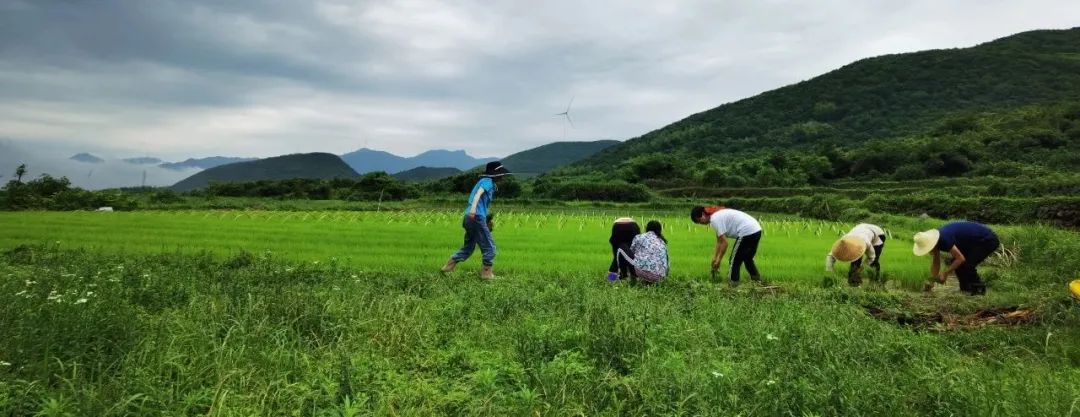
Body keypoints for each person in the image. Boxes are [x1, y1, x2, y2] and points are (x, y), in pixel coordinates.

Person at [441, 161, 512, 279]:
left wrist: (487, 219)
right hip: (475, 216)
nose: (503, 176)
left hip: (469, 217)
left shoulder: (484, 181)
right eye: (501, 174)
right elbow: (478, 195)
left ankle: (447, 268)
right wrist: (474, 209)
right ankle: (487, 274)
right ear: (495, 173)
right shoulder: (487, 181)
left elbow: (482, 203)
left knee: (468, 247)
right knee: (490, 247)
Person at [913, 221, 1000, 295]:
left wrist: (945, 274)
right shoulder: (936, 241)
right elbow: (936, 263)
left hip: (987, 240)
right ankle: (965, 290)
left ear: (931, 243)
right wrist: (932, 281)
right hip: (971, 242)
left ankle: (979, 292)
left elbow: (960, 258)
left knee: (968, 265)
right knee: (956, 263)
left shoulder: (943, 239)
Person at [690, 205, 763, 286]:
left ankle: (733, 285)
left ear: (703, 214)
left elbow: (725, 243)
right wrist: (715, 257)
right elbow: (719, 240)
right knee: (748, 258)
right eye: (699, 223)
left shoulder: (714, 219)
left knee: (734, 260)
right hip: (756, 229)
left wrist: (719, 260)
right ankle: (757, 281)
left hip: (746, 231)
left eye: (699, 220)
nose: (701, 223)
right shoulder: (716, 215)